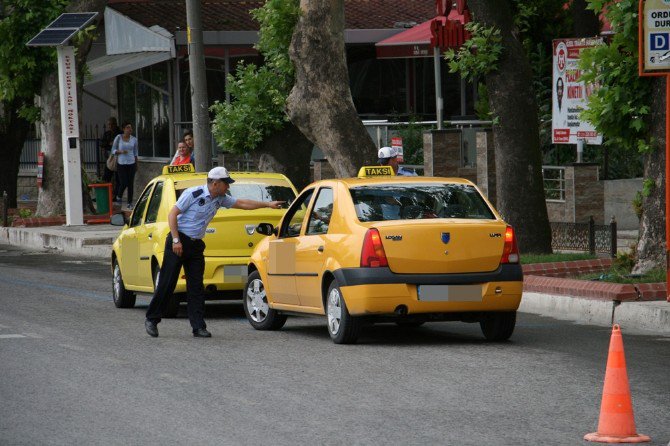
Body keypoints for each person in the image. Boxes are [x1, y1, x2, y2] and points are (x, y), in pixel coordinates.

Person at [144, 166, 285, 338]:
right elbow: (172, 215)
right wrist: (175, 240)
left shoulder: (220, 198)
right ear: (216, 183)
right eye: (226, 184)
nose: (228, 187)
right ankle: (152, 319)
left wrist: (268, 204)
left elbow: (242, 204)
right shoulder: (193, 194)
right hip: (178, 241)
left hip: (196, 245)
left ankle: (198, 327)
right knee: (167, 283)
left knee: (196, 287)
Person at [112, 122, 139, 209]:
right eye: (127, 127)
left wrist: (136, 163)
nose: (129, 129)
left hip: (131, 163)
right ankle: (119, 196)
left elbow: (135, 152)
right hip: (121, 163)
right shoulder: (118, 138)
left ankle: (129, 203)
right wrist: (120, 152)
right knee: (124, 182)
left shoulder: (134, 139)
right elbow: (113, 150)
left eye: (130, 128)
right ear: (123, 129)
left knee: (130, 183)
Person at [100, 117, 122, 193]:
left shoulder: (120, 133)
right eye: (109, 124)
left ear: (115, 124)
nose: (110, 126)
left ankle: (116, 195)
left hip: (119, 159)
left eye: (112, 124)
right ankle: (104, 193)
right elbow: (102, 144)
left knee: (118, 178)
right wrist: (109, 144)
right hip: (110, 158)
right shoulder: (107, 134)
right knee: (106, 177)